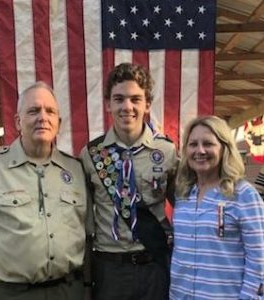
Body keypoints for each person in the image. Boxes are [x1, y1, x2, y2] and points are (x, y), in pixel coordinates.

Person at [0, 81, 88, 300]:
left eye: (50, 111)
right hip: (8, 293)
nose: (42, 117)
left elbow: (87, 235)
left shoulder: (76, 170)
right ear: (18, 121)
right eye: (33, 111)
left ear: (58, 123)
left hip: (68, 291)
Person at [80, 63, 178, 300]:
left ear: (147, 104)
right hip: (109, 269)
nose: (127, 106)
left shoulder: (167, 151)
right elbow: (81, 216)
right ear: (108, 104)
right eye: (119, 98)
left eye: (135, 99)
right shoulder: (91, 154)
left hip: (153, 263)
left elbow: (185, 205)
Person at [170, 115, 264, 300]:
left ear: (224, 148)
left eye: (208, 144)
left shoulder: (243, 195)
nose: (200, 150)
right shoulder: (183, 194)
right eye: (193, 144)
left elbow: (259, 257)